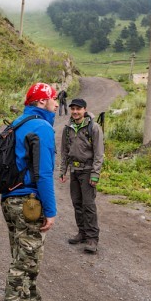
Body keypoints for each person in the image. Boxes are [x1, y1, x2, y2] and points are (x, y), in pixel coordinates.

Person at [0, 82, 58, 301]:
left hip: (9, 200)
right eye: (54, 99)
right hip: (28, 202)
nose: (57, 103)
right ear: (43, 101)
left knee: (24, 253)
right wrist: (51, 210)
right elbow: (44, 173)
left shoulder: (18, 122)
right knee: (24, 262)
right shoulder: (42, 127)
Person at [59, 98, 105, 254]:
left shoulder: (93, 127)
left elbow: (99, 154)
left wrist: (95, 174)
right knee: (77, 203)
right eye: (73, 109)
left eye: (78, 109)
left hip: (87, 171)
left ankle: (92, 238)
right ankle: (82, 233)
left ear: (84, 109)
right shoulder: (68, 128)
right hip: (74, 171)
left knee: (88, 205)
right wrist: (63, 170)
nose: (75, 111)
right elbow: (65, 151)